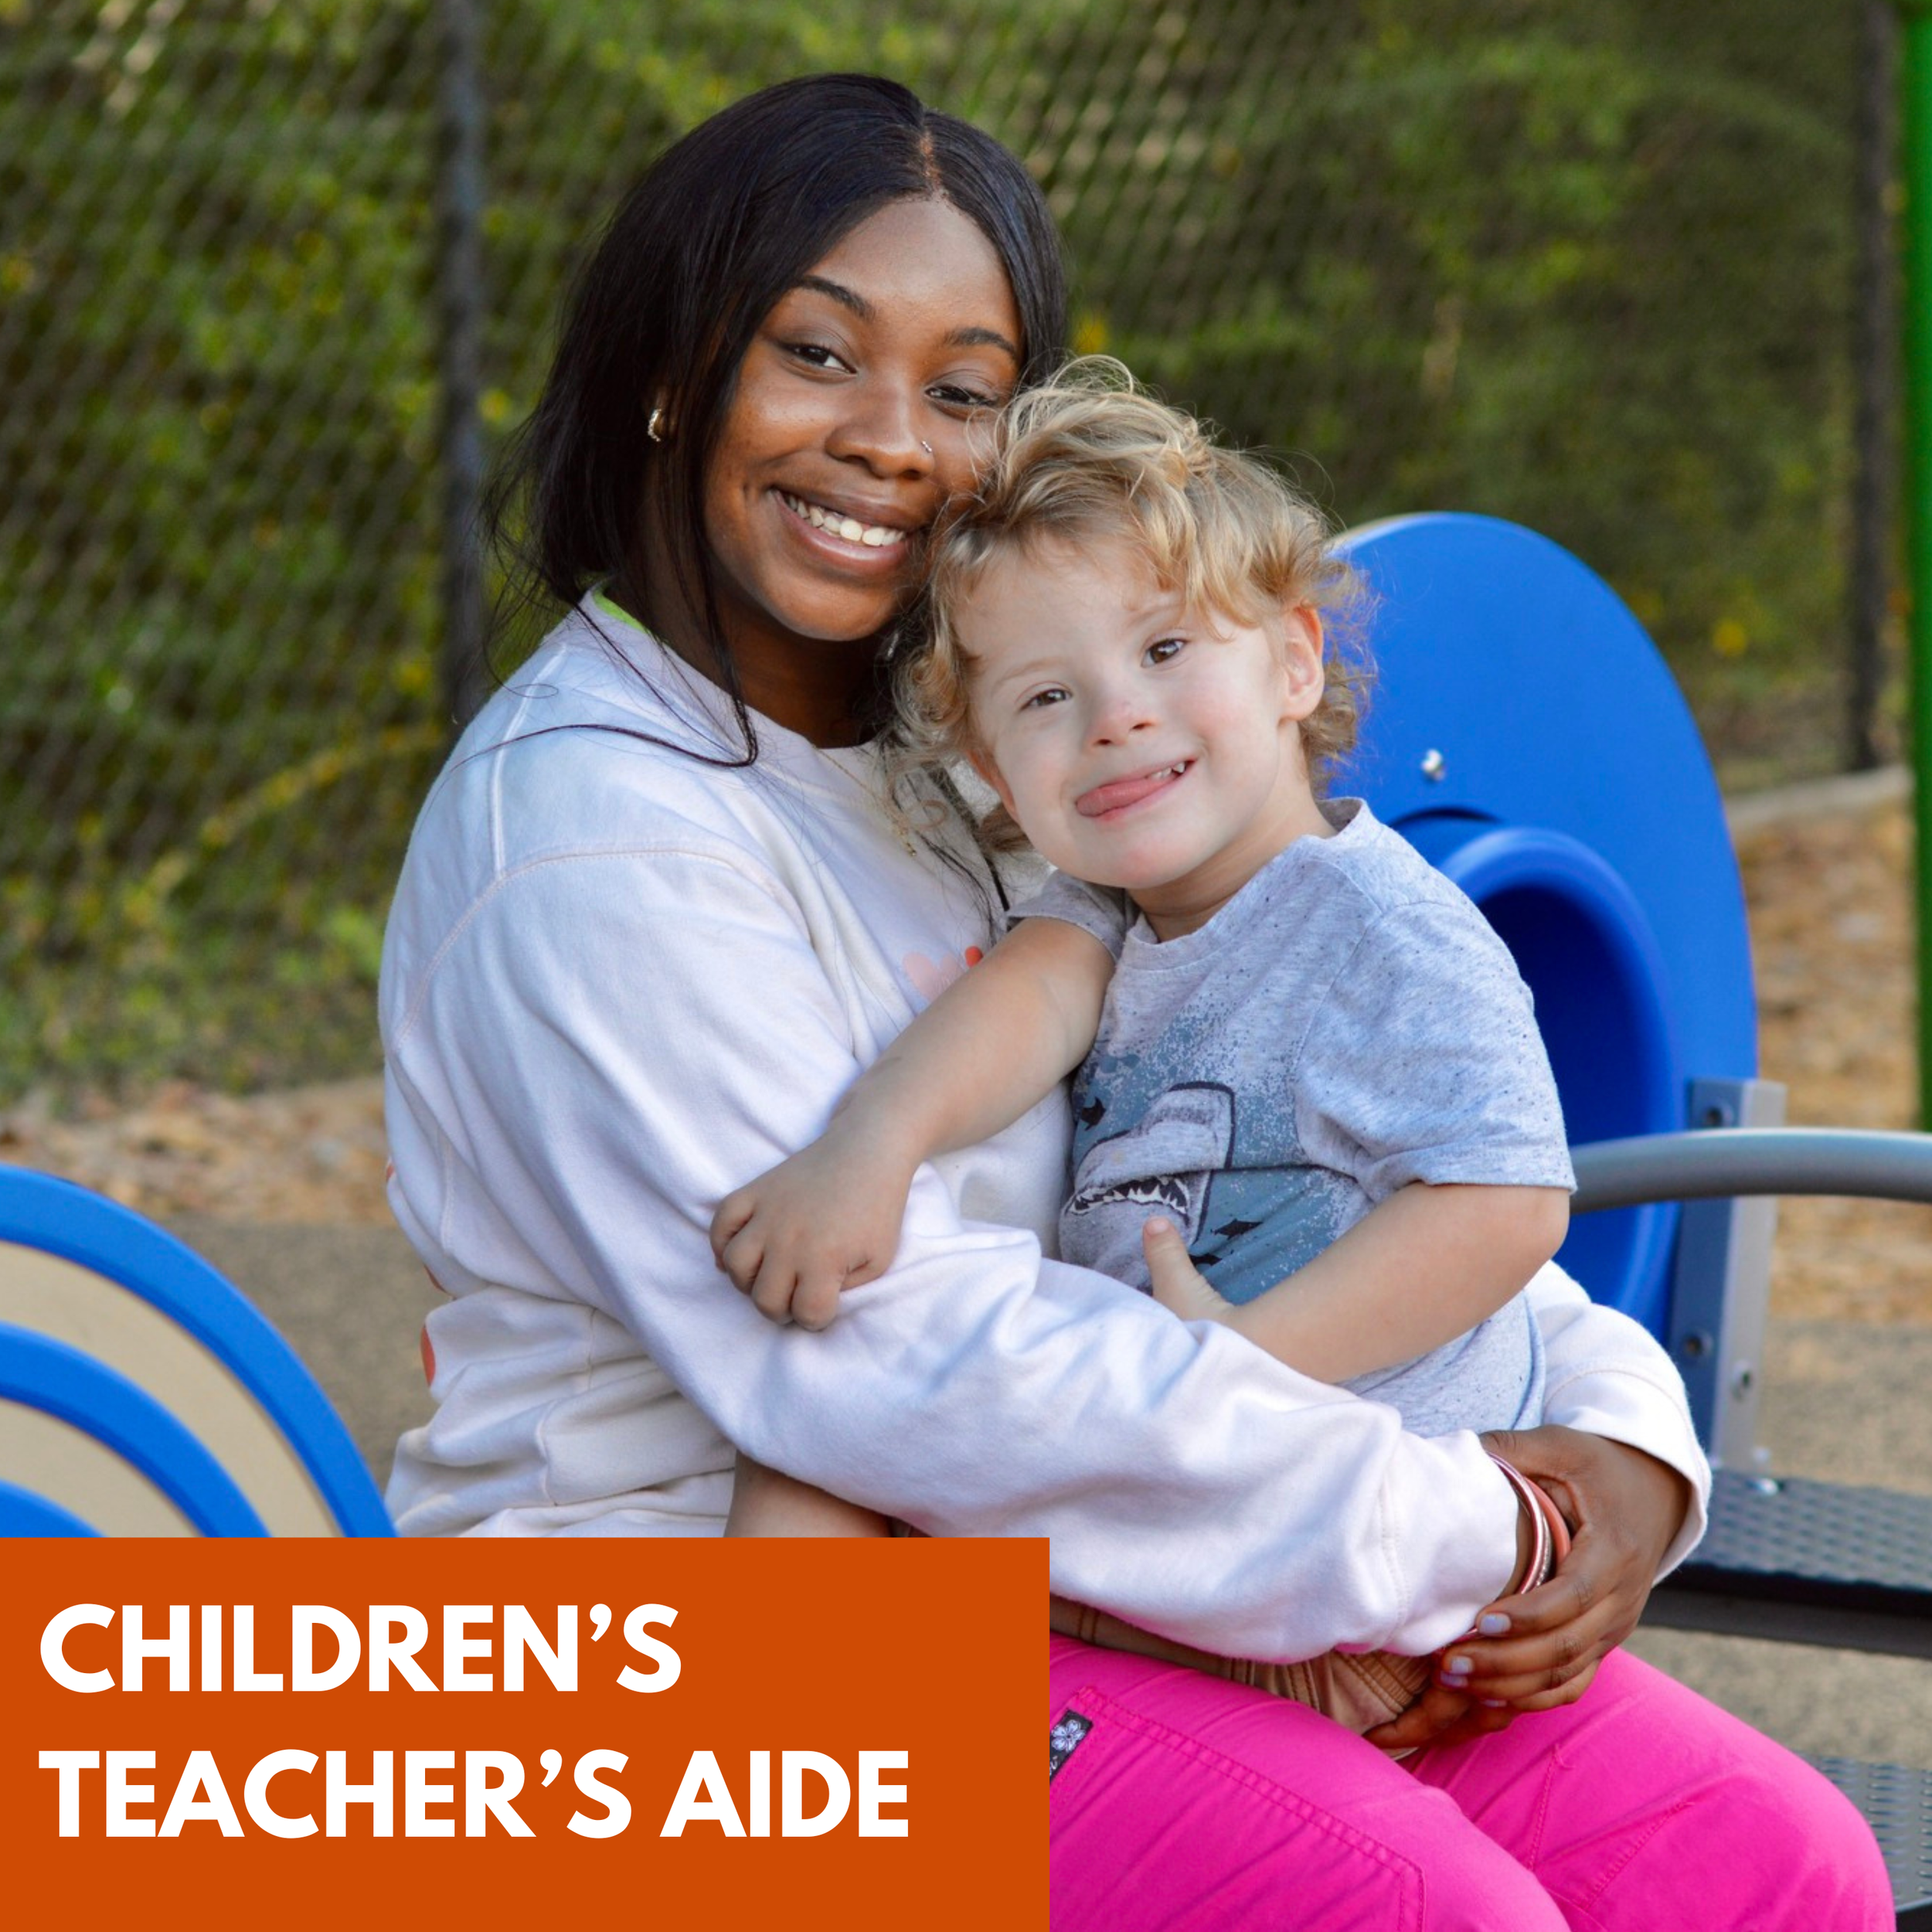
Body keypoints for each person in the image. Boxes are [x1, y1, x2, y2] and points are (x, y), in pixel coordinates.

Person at [378, 70, 1889, 1929]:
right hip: (715, 1673)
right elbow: (894, 1364)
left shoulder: (996, 759)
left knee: (1769, 1862)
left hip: (1107, 1553)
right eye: (814, 354)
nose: (885, 441)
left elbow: (1342, 1138)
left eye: (957, 385)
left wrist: (1617, 1442)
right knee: (1425, 1911)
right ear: (671, 375)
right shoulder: (594, 835)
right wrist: (1465, 1528)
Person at [710, 364, 1578, 1733]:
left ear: (1296, 662)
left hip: (1330, 1560)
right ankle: (785, 1808)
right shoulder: (1116, 910)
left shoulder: (1380, 928)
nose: (1114, 713)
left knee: (831, 1466)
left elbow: (1508, 1201)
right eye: (1045, 699)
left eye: (1166, 651)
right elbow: (1032, 999)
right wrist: (868, 1148)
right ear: (998, 782)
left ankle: (778, 1808)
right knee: (821, 1458)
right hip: (1219, 1513)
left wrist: (1239, 1364)